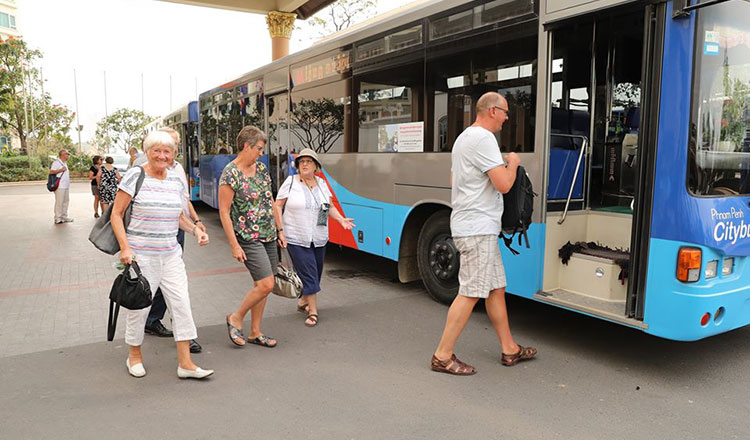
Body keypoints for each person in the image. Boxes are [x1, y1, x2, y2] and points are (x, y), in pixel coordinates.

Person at [431, 92, 537, 376]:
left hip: (475, 225)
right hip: (477, 228)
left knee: (495, 288)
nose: (506, 117)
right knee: (470, 292)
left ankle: (509, 348)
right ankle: (442, 355)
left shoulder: (464, 138)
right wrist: (512, 161)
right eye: (504, 111)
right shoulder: (484, 139)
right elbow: (503, 184)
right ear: (492, 110)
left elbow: (456, 180)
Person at [110, 130, 213, 380]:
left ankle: (186, 364)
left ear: (173, 155)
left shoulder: (175, 181)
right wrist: (126, 248)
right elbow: (116, 214)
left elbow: (178, 217)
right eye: (157, 150)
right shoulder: (136, 175)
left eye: (167, 151)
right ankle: (134, 355)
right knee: (139, 308)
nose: (162, 155)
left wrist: (195, 230)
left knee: (181, 305)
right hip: (142, 257)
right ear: (148, 152)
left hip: (171, 255)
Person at [273, 148, 355, 327]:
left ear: (316, 166)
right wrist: (280, 230)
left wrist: (341, 220)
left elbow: (328, 207)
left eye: (308, 161)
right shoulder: (291, 182)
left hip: (318, 237)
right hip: (295, 236)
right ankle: (313, 311)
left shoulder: (322, 184)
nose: (304, 164)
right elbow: (277, 206)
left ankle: (303, 301)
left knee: (316, 274)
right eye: (301, 161)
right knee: (309, 272)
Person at [142, 127, 204, 354]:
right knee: (160, 283)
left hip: (176, 228)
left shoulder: (176, 168)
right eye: (167, 145)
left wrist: (196, 222)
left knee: (174, 285)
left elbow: (184, 200)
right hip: (150, 238)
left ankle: (165, 325)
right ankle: (149, 324)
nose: (171, 150)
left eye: (174, 146)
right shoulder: (144, 169)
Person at [219, 125, 279, 348]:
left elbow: (270, 200)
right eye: (259, 149)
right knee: (266, 284)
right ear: (246, 146)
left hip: (269, 234)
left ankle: (255, 332)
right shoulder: (230, 173)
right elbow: (224, 211)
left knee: (263, 285)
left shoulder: (261, 169)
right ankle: (236, 317)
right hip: (247, 236)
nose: (261, 153)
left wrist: (280, 230)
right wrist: (234, 245)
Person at [49, 149, 72, 224]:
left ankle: (64, 216)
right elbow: (51, 171)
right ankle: (57, 218)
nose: (68, 155)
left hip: (66, 185)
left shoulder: (64, 163)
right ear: (63, 155)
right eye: (67, 154)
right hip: (60, 186)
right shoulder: (56, 162)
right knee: (59, 202)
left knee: (66, 201)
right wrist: (61, 170)